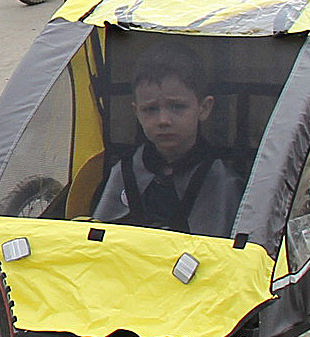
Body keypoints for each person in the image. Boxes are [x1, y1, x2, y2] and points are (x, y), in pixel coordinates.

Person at [89, 53, 244, 234]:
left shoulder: (221, 181)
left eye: (177, 107)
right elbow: (98, 237)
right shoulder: (125, 171)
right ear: (136, 112)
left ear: (204, 108)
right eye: (150, 109)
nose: (163, 120)